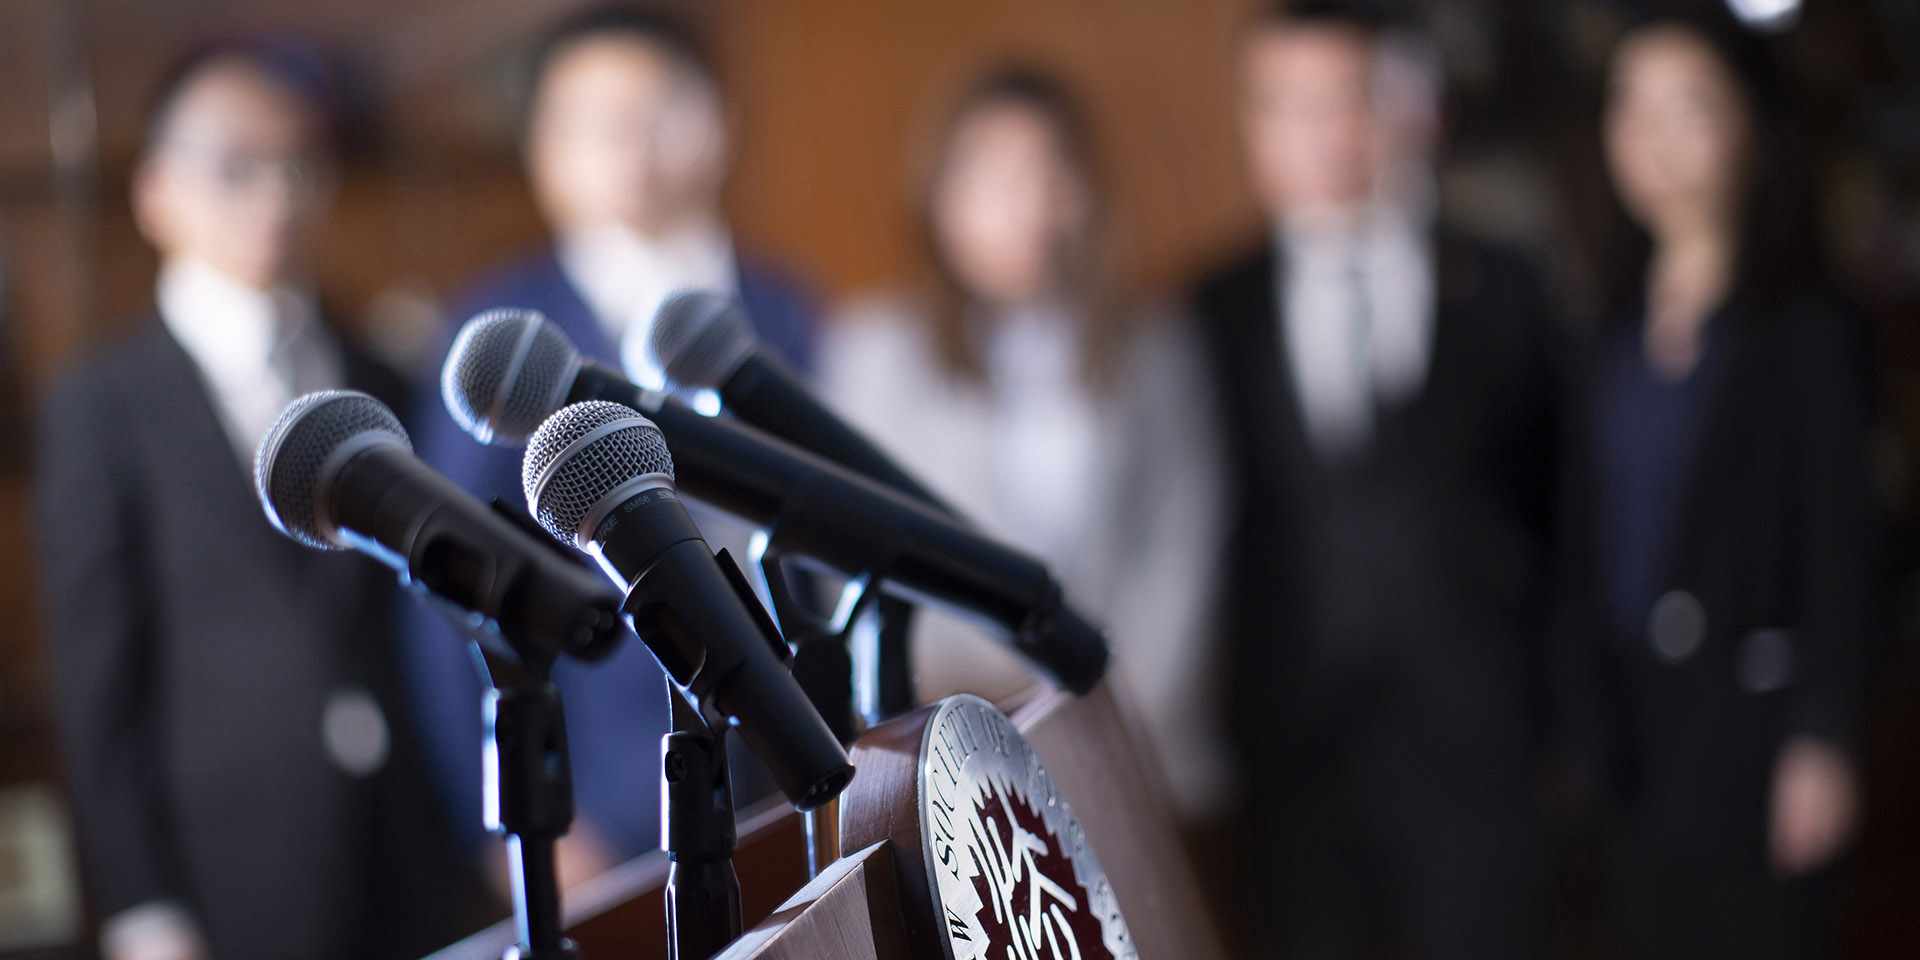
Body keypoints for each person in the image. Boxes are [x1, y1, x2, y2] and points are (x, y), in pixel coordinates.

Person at [33, 42, 485, 960]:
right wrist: (141, 904)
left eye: (299, 165)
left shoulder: (384, 373)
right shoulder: (100, 404)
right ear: (157, 192)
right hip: (231, 860)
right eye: (237, 167)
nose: (275, 194)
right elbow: (98, 677)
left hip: (410, 851)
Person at [402, 3, 817, 884]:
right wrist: (514, 823)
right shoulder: (495, 337)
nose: (632, 146)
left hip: (806, 780)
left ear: (718, 124)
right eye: (596, 123)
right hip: (603, 809)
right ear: (544, 151)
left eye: (660, 111)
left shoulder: (792, 313)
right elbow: (442, 583)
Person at [1188, 4, 1559, 956]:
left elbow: (1568, 519)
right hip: (1297, 767)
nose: (1326, 132)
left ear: (1404, 109)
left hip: (1484, 757)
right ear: (1252, 123)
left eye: (1352, 98)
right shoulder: (1206, 315)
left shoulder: (1506, 284)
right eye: (1293, 104)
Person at [818, 67, 1230, 818]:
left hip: (1138, 755)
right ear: (939, 198)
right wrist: (1003, 730)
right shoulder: (876, 353)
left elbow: (1183, 552)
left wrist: (1102, 718)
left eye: (1046, 171)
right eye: (991, 176)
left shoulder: (1155, 348)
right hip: (954, 772)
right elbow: (856, 576)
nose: (1023, 205)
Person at [1557, 14, 1885, 957]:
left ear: (1751, 124)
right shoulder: (1607, 328)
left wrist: (1825, 735)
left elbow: (1844, 545)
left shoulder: (1807, 325)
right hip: (1636, 743)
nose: (1652, 142)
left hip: (1758, 737)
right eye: (1630, 109)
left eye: (1687, 108)